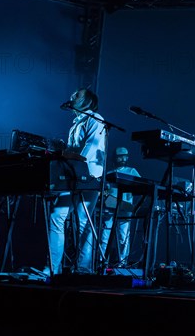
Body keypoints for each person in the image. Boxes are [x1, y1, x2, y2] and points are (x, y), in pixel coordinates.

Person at [45, 87, 106, 275]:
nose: (71, 96)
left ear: (87, 101)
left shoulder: (95, 119)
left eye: (77, 95)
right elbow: (75, 151)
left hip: (88, 178)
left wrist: (68, 159)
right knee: (57, 216)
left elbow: (87, 153)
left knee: (83, 223)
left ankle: (83, 269)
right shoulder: (76, 123)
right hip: (72, 176)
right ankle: (52, 269)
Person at [99, 146, 141, 267]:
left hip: (125, 208)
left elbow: (141, 187)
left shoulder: (132, 171)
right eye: (120, 156)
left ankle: (122, 263)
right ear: (115, 158)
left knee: (123, 237)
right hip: (109, 208)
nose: (123, 158)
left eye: (125, 156)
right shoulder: (109, 173)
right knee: (104, 236)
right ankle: (102, 261)